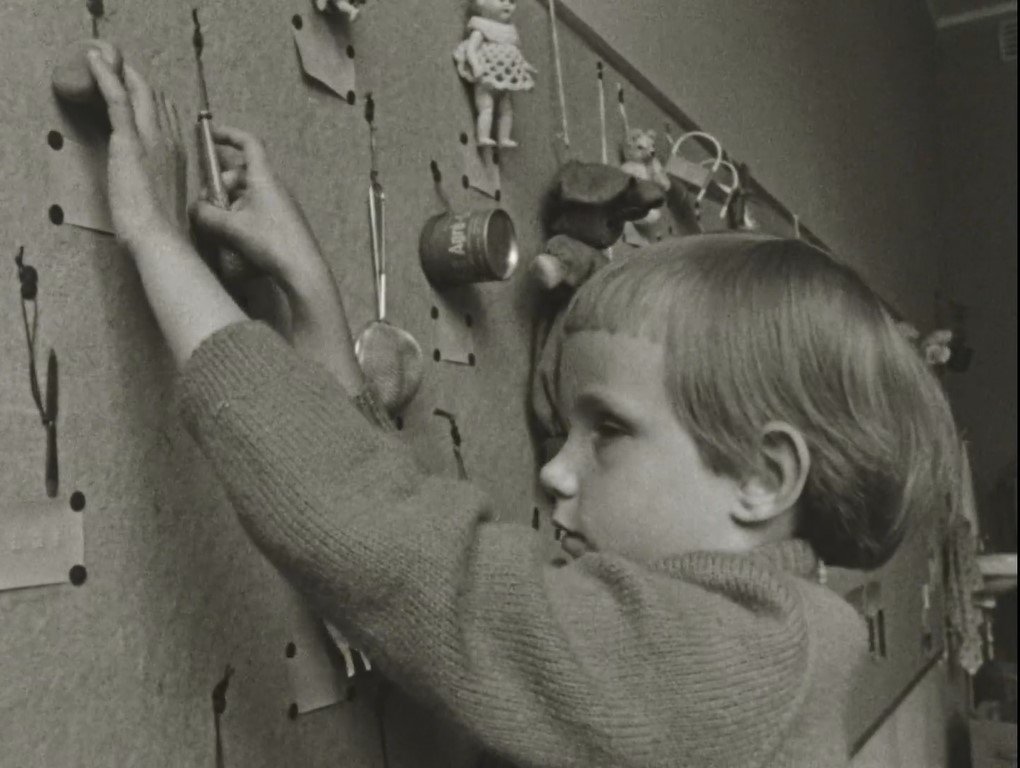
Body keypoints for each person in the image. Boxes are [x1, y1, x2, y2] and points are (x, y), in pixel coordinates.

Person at [84, 49, 963, 767]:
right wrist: (313, 300)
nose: (554, 469)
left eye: (608, 429)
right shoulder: (757, 654)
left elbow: (415, 571)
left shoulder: (728, 671)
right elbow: (460, 634)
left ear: (764, 479)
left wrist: (154, 239)